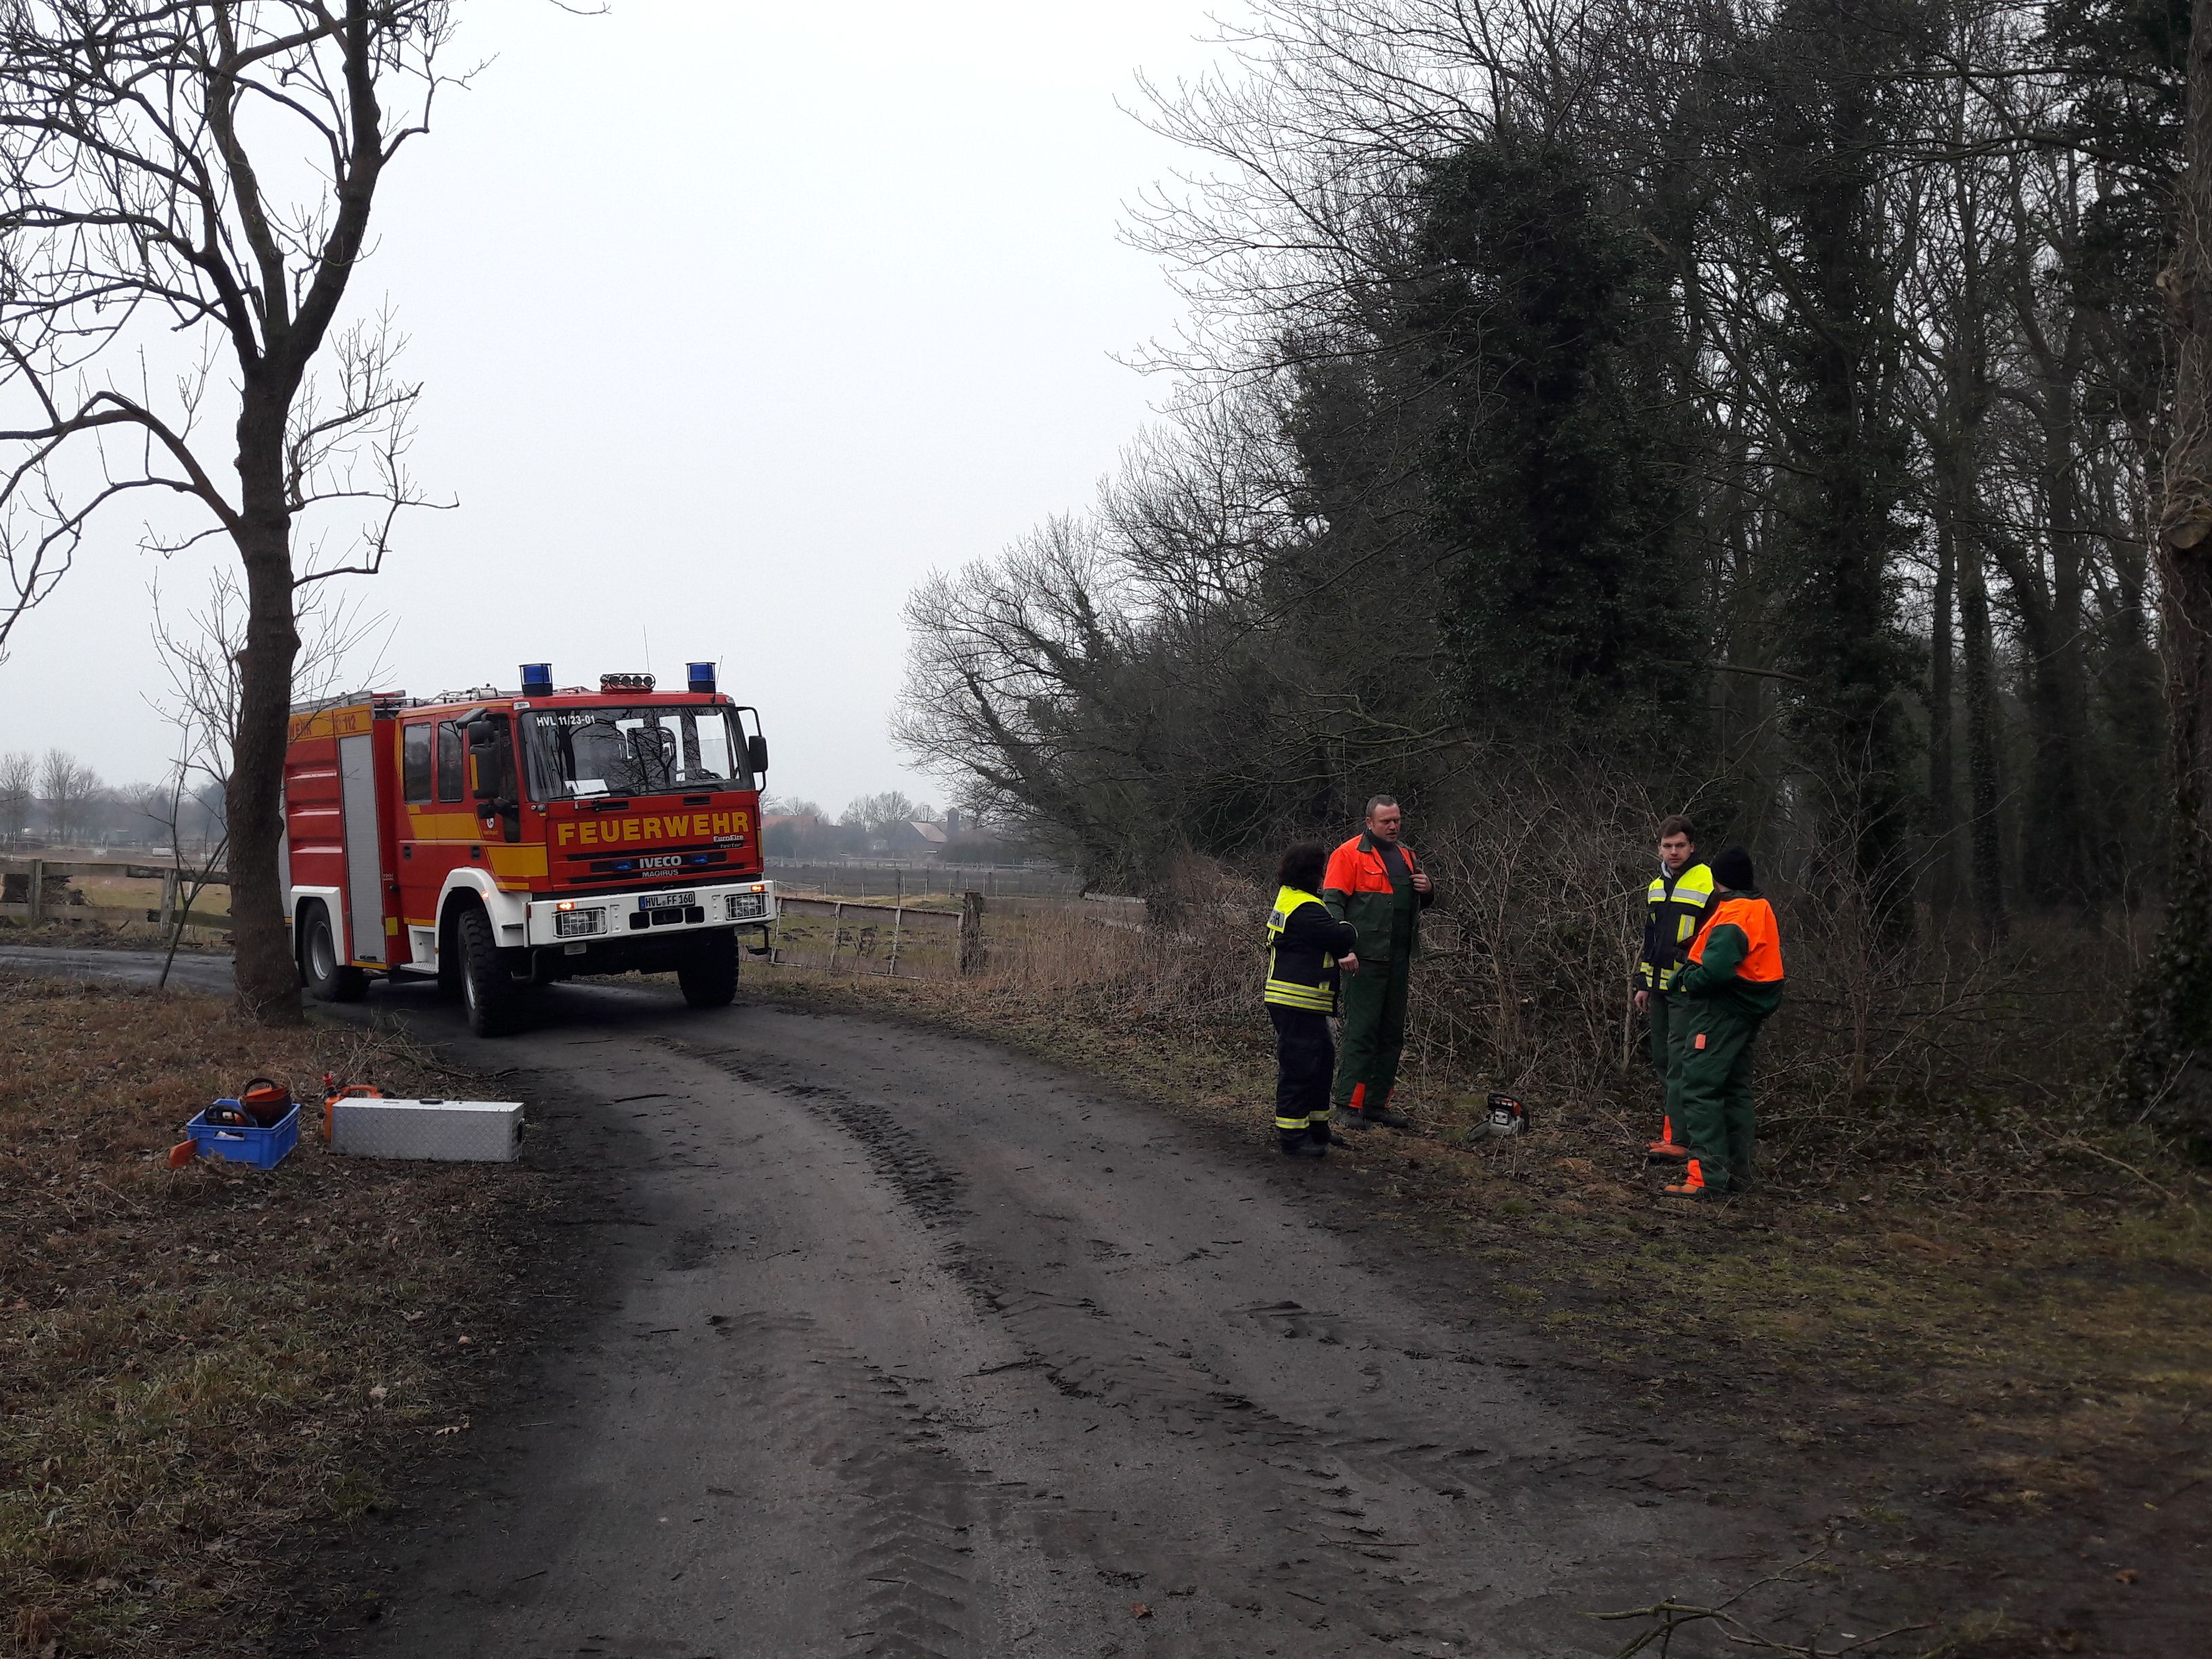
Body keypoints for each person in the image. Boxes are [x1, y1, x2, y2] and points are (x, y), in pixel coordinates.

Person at [1662, 845, 1784, 1201]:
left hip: (1721, 1011)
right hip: (1746, 1011)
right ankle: (1736, 1175)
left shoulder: (1733, 915)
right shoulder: (1759, 907)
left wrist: (1686, 980)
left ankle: (1706, 1177)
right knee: (1734, 1090)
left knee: (1699, 1088)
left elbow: (1715, 971)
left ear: (1719, 880)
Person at [1323, 796, 1435, 1131]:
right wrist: (1342, 947)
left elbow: (1419, 905)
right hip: (1363, 960)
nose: (1393, 826)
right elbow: (1332, 904)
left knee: (1391, 1035)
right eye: (1386, 821)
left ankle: (1376, 1104)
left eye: (1397, 820)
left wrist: (1429, 890)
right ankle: (1348, 1105)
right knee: (1361, 1033)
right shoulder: (1348, 854)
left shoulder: (1408, 857)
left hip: (1398, 959)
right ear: (1369, 823)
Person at [1265, 843, 1361, 1158]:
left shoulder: (1293, 900)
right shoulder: (1305, 907)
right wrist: (1347, 926)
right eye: (1322, 869)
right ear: (1312, 872)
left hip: (1303, 1000)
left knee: (1321, 1064)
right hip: (1297, 1000)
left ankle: (1317, 1127)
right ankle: (1293, 1136)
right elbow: (1341, 936)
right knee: (1300, 1067)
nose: (1324, 875)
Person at [1632, 815, 1715, 1163]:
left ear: (1692, 846)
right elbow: (1651, 939)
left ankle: (1680, 1139)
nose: (1674, 852)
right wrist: (1643, 984)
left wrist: (1698, 976)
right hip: (1659, 987)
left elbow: (1714, 938)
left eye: (1680, 845)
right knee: (1664, 1060)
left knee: (1681, 1061)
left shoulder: (1708, 881)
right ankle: (1673, 1135)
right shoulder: (1655, 886)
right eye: (1668, 846)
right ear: (1659, 849)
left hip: (1688, 988)